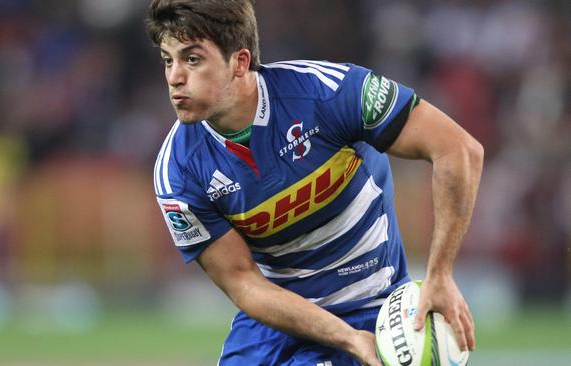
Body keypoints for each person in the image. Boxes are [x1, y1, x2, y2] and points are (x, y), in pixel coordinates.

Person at [146, 1, 482, 365]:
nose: (174, 76)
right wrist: (346, 338)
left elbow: (458, 149)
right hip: (279, 316)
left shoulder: (328, 92)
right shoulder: (177, 171)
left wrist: (440, 274)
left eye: (192, 59)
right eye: (168, 60)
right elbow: (243, 283)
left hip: (372, 302)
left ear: (240, 62)